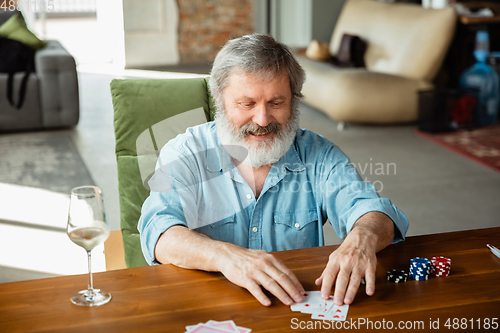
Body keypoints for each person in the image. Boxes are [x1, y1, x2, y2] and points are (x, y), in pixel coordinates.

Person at [138, 33, 408, 307]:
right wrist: (228, 257)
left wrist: (362, 237)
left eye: (276, 103)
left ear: (294, 100)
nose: (263, 119)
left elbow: (373, 210)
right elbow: (160, 232)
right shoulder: (185, 152)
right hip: (208, 307)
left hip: (292, 308)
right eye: (247, 104)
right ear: (219, 100)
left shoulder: (318, 153)